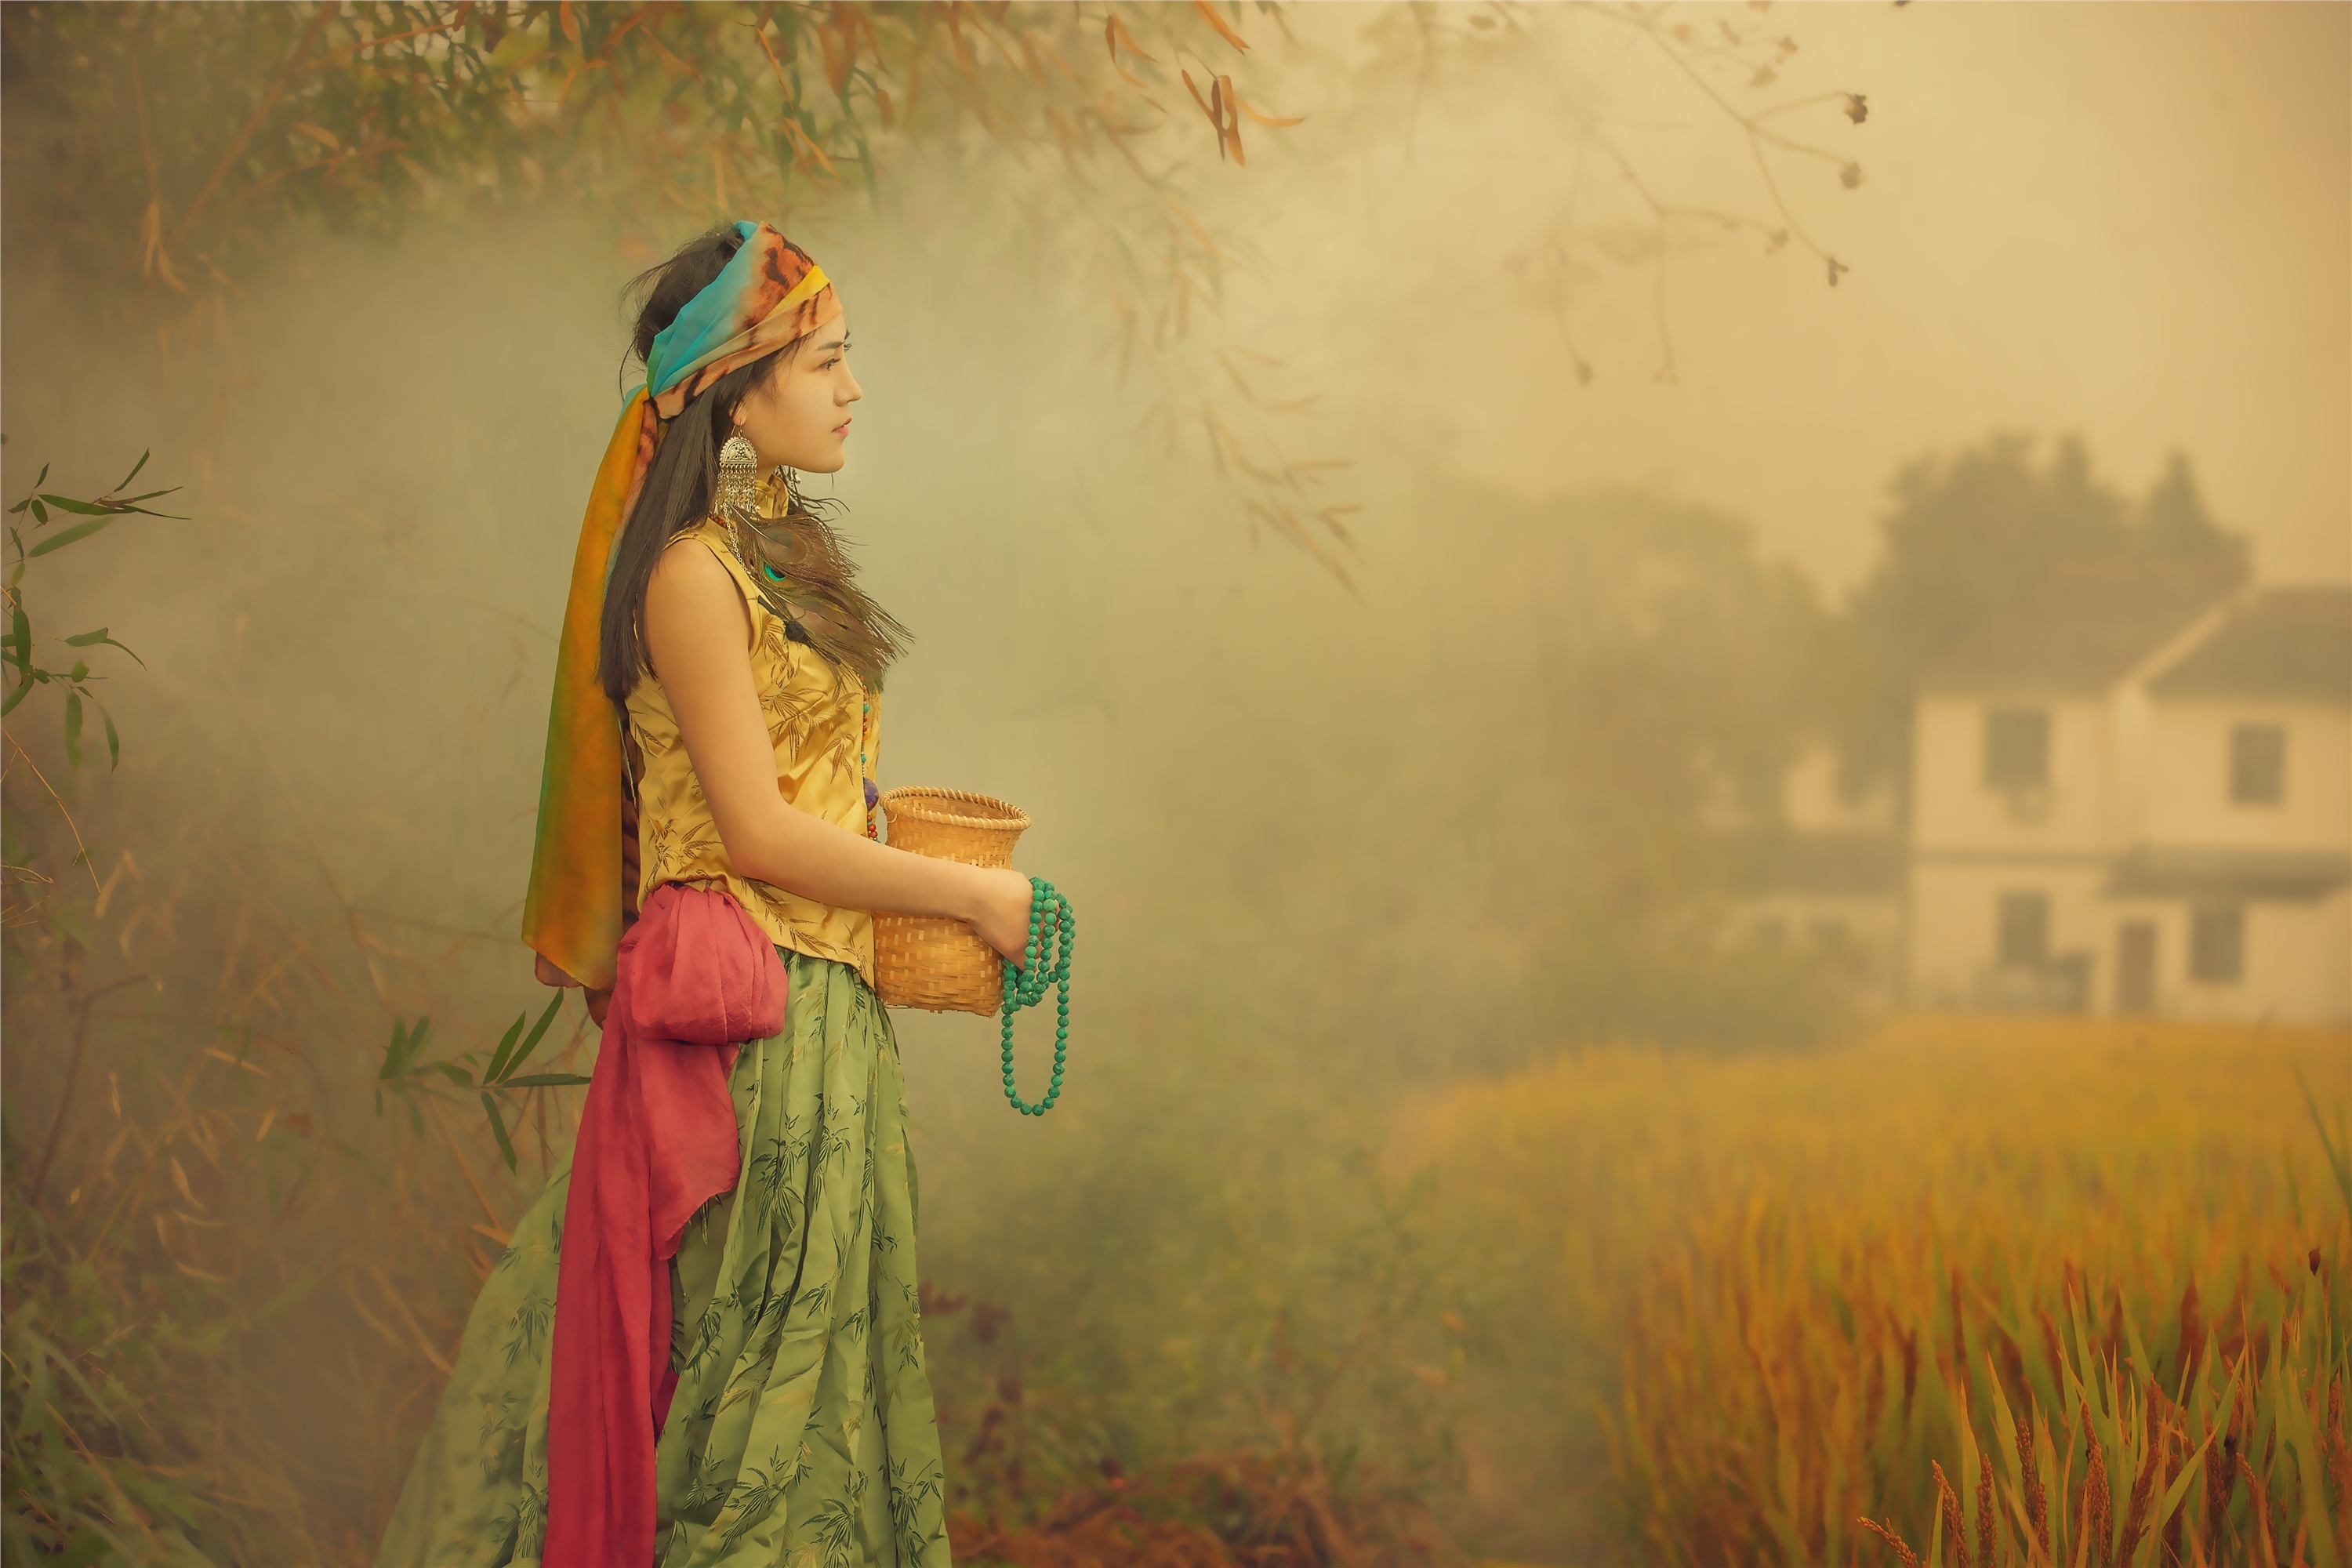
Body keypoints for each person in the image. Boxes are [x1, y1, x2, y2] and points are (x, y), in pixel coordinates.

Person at [376, 222, 1033, 1568]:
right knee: (737, 1422)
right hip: (749, 1040)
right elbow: (760, 835)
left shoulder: (780, 556)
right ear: (741, 385)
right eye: (831, 360)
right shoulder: (689, 574)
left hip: (831, 1032)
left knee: (805, 1415)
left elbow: (821, 797)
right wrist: (972, 901)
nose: (854, 388)